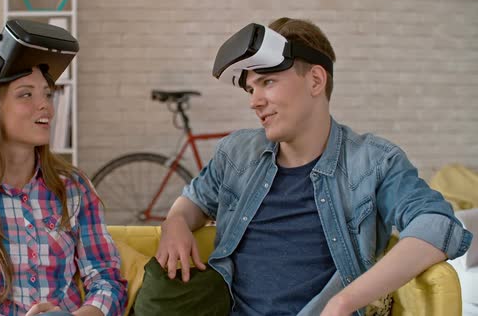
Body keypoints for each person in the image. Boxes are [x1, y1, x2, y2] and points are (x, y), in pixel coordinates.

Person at [155, 17, 473, 316]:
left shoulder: (375, 162)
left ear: (316, 80)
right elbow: (194, 201)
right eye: (251, 89)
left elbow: (436, 224)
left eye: (267, 81)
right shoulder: (237, 152)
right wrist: (175, 222)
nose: (254, 101)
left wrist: (344, 302)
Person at [0, 20, 126, 316]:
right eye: (26, 94)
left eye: (47, 94)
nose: (45, 105)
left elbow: (107, 279)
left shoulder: (74, 187)